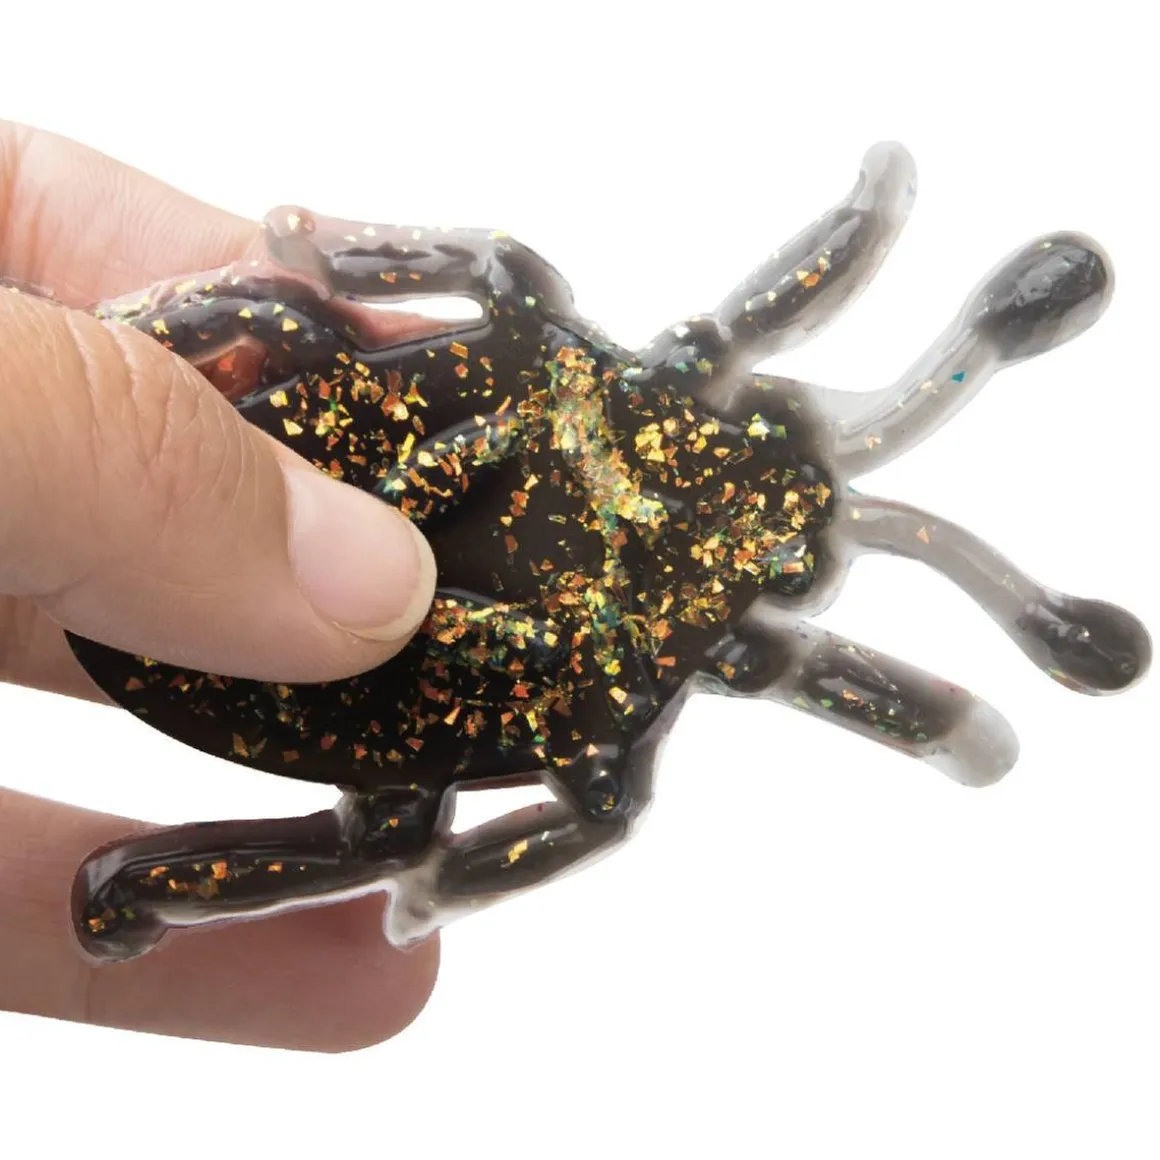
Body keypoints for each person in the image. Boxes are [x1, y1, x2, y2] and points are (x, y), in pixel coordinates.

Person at [0, 121, 441, 1051]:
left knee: (282, 319)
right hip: (340, 643)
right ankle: (139, 887)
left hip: (367, 668)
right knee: (281, 320)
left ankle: (141, 886)